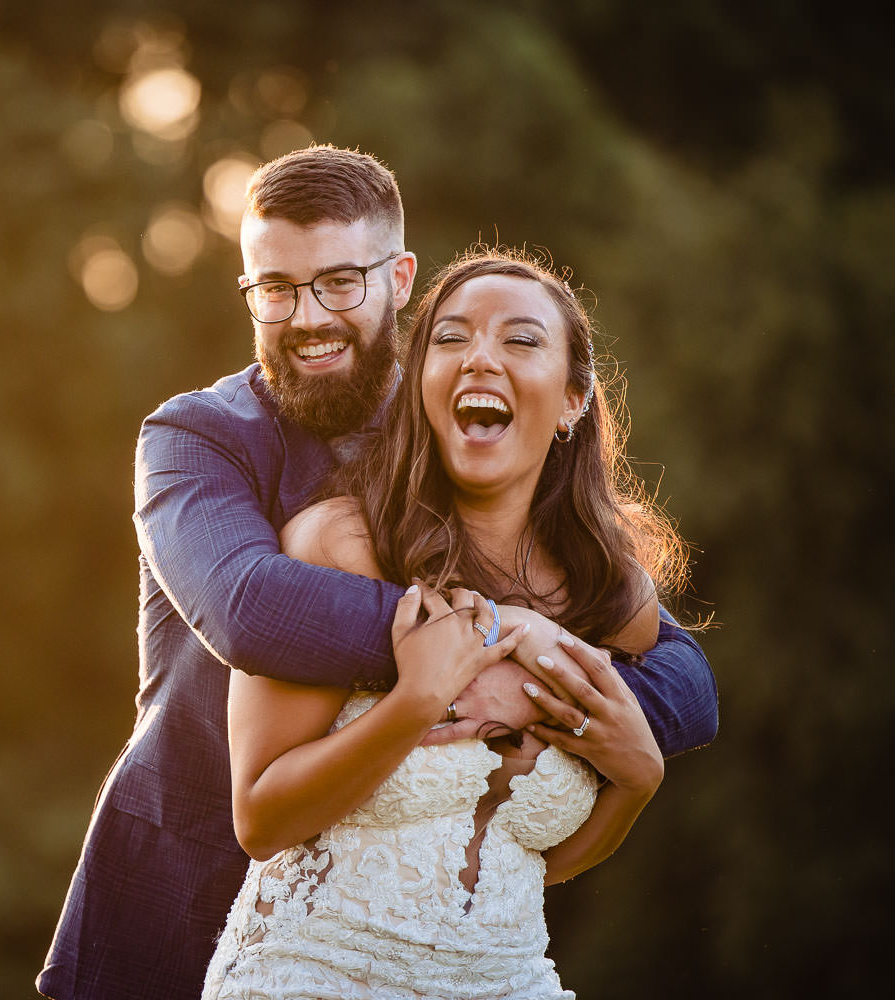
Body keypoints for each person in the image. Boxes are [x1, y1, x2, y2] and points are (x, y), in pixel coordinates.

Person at [36, 145, 717, 1000]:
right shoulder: (196, 438)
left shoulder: (466, 428)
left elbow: (683, 677)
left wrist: (545, 698)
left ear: (400, 280)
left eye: (340, 283)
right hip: (180, 887)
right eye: (275, 289)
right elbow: (252, 612)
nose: (307, 315)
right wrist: (503, 644)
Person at [202, 246, 678, 998]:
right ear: (422, 384)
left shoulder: (617, 599)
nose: (480, 358)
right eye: (451, 339)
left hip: (512, 980)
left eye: (520, 340)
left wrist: (640, 777)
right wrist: (414, 702)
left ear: (573, 399)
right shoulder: (341, 545)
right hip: (314, 976)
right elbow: (260, 820)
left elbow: (544, 866)